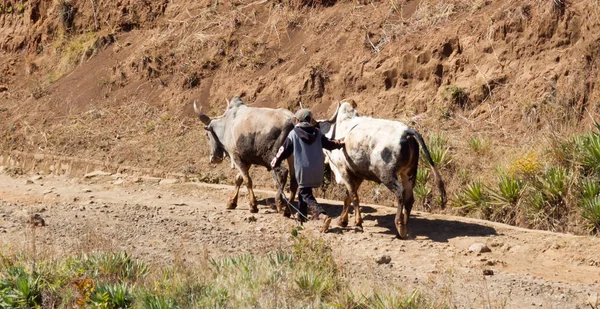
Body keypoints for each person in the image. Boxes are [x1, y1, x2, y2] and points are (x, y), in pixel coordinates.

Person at [271, 108, 345, 233]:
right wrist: (340, 143)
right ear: (309, 120)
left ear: (298, 120)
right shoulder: (317, 133)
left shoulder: (294, 133)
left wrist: (275, 161)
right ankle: (301, 219)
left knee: (306, 195)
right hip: (317, 170)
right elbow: (329, 144)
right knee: (303, 192)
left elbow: (284, 150)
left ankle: (322, 216)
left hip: (302, 170)